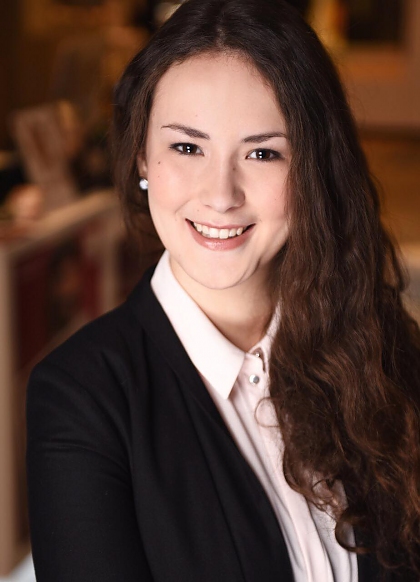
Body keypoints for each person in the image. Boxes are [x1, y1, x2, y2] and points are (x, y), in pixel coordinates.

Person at [26, 0, 420, 580]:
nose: (221, 194)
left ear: (312, 168)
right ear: (141, 154)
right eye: (187, 147)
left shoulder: (378, 342)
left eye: (263, 152)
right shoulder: (84, 398)